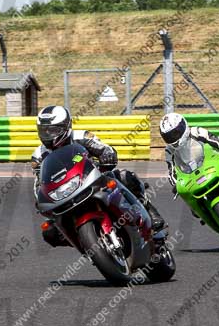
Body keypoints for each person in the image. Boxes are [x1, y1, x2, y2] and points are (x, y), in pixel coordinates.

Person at [31, 105, 165, 247]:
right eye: (44, 130)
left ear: (65, 127)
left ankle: (150, 213)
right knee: (49, 232)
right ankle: (86, 242)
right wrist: (40, 198)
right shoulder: (38, 156)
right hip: (64, 196)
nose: (48, 135)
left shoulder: (81, 136)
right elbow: (39, 184)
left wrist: (107, 155)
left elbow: (104, 148)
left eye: (52, 130)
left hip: (92, 181)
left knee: (125, 176)